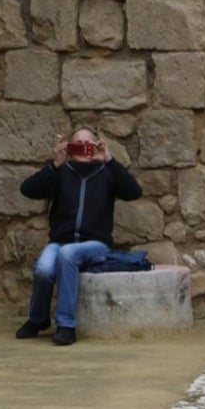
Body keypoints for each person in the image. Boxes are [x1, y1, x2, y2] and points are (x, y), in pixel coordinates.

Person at [16, 126, 143, 346]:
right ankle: (37, 320)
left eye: (88, 144)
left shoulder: (106, 174)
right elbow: (28, 190)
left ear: (96, 146)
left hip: (95, 244)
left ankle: (66, 325)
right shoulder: (61, 173)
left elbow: (134, 192)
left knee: (67, 253)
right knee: (44, 268)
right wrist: (56, 164)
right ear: (70, 147)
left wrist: (108, 159)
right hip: (60, 241)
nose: (83, 148)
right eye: (77, 143)